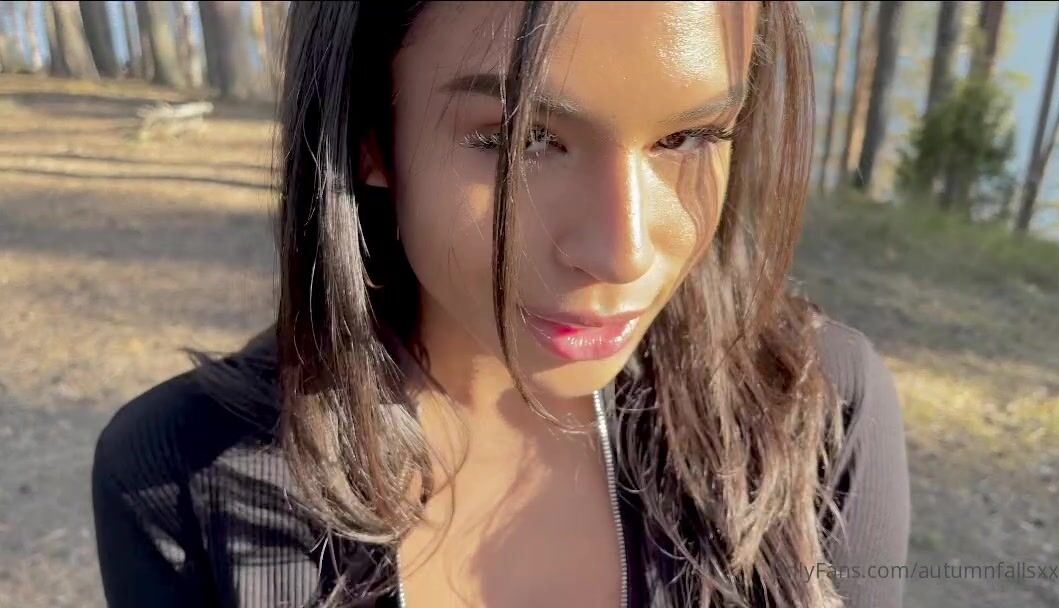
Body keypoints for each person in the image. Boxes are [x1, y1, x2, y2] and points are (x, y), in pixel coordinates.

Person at [91, 2, 911, 607]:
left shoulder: (814, 412)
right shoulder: (180, 478)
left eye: (688, 137)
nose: (624, 252)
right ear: (369, 132)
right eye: (523, 138)